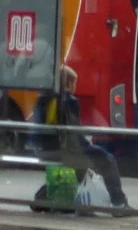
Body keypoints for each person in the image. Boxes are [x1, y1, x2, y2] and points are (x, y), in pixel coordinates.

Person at [39, 64, 128, 209]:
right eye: (74, 83)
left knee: (80, 170)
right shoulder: (70, 101)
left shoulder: (44, 97)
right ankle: (119, 203)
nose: (75, 86)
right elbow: (74, 135)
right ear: (67, 83)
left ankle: (43, 198)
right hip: (66, 150)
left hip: (46, 148)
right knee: (108, 161)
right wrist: (88, 146)